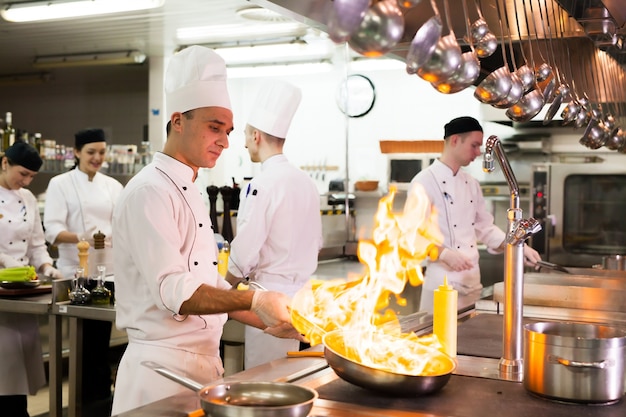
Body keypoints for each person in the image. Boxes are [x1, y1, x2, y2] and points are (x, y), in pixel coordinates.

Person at [110, 45, 303, 415]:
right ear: (178, 120)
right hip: (160, 376)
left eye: (229, 131)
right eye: (215, 128)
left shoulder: (190, 187)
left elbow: (208, 284)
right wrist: (254, 300)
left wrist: (274, 319)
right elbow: (175, 291)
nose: (225, 141)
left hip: (200, 369)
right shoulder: (150, 191)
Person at [224, 80, 323, 369]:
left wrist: (221, 290)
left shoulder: (261, 184)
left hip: (270, 303)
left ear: (256, 136)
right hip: (305, 299)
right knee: (301, 380)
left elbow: (244, 253)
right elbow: (316, 242)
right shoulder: (306, 182)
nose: (242, 143)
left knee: (267, 386)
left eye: (244, 135)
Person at [407, 116, 541, 314]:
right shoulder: (424, 182)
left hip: (472, 283)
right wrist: (443, 253)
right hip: (441, 285)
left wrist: (515, 246)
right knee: (439, 342)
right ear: (454, 140)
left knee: (468, 341)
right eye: (474, 145)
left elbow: (484, 228)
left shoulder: (471, 183)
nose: (478, 152)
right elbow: (412, 235)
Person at [43, 128, 123, 403]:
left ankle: (102, 396)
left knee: (101, 339)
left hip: (108, 272)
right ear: (76, 152)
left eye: (101, 152)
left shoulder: (113, 186)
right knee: (83, 341)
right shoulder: (61, 183)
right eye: (91, 152)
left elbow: (122, 224)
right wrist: (82, 238)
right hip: (75, 273)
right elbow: (52, 230)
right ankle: (85, 398)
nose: (97, 157)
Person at [0, 141, 63, 417]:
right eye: (22, 174)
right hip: (2, 294)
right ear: (5, 163)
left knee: (21, 365)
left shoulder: (26, 198)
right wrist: (4, 261)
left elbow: (37, 244)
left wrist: (48, 267)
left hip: (22, 291)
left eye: (31, 177)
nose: (25, 181)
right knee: (4, 362)